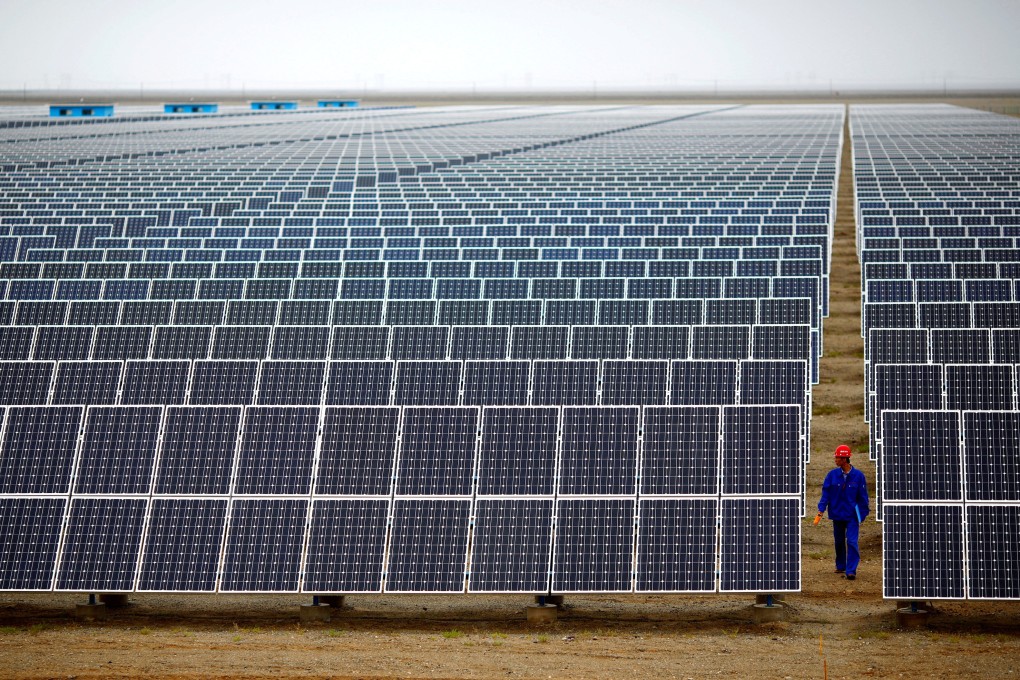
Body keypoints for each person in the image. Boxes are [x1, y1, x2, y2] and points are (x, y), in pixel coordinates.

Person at [815, 444, 869, 580]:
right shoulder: (832, 475)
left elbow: (863, 497)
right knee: (839, 541)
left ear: (844, 459)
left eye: (837, 457)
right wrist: (821, 509)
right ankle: (841, 565)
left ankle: (851, 570)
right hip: (837, 514)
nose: (835, 459)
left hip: (852, 516)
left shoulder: (858, 476)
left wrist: (862, 514)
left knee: (851, 541)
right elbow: (826, 494)